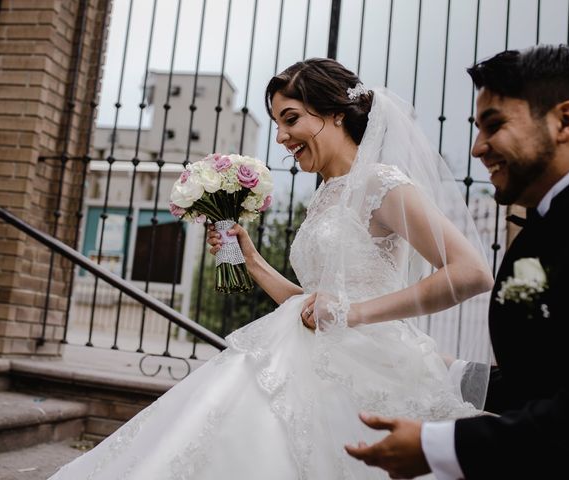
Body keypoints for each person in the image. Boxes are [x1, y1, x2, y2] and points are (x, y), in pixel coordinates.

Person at [48, 58, 493, 480]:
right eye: (278, 123)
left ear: (336, 114)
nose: (281, 137)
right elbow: (311, 305)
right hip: (299, 348)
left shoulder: (382, 183)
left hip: (364, 365)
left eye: (291, 118)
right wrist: (253, 261)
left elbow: (471, 272)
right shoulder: (325, 194)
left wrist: (352, 314)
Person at [345, 44, 569, 479]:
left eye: (493, 125)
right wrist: (447, 370)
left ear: (565, 122)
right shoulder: (546, 223)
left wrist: (441, 446)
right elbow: (548, 377)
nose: (477, 148)